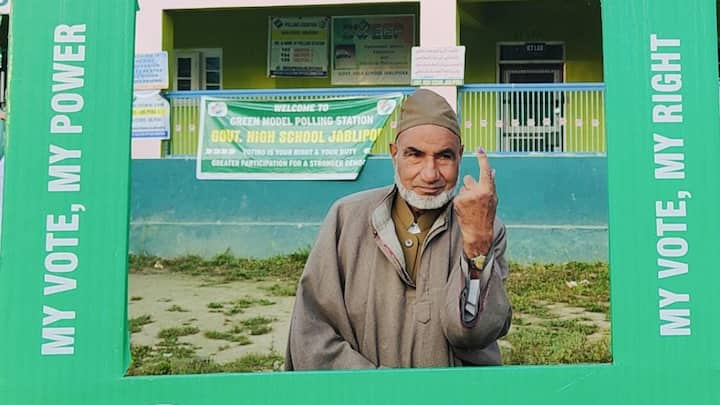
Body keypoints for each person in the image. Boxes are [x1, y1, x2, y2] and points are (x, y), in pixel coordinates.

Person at [285, 89, 511, 370]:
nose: (430, 174)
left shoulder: (487, 231)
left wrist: (477, 248)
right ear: (394, 154)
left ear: (460, 157)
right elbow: (312, 332)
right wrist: (378, 390)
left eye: (444, 157)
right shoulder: (347, 218)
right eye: (415, 155)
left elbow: (473, 333)